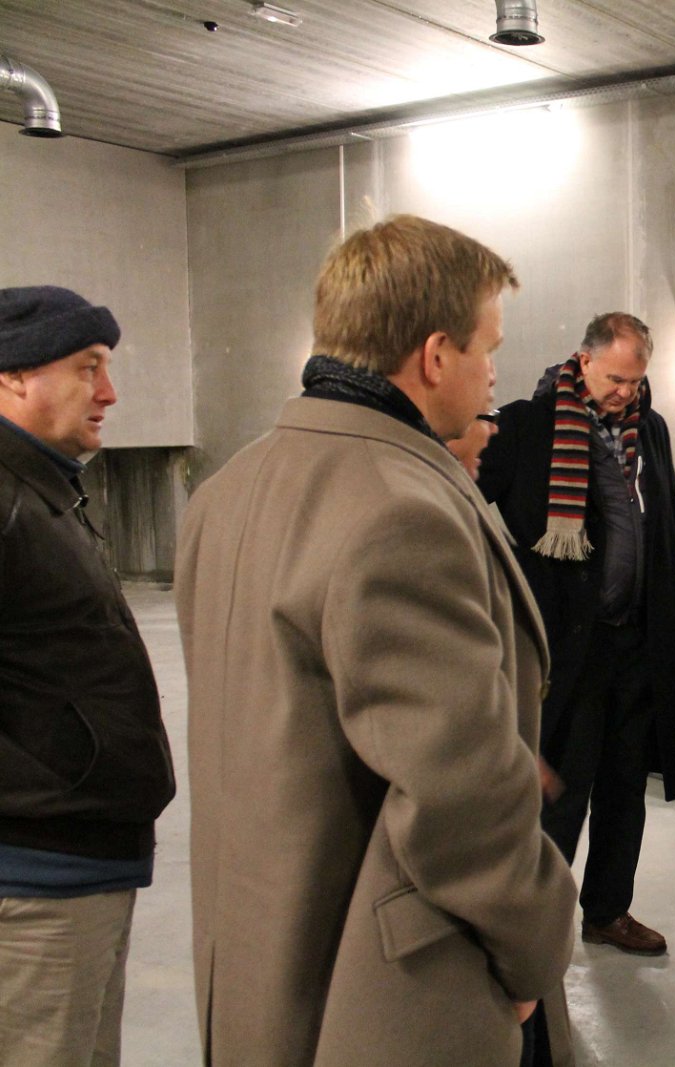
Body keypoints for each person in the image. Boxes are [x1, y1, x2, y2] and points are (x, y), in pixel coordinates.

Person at [175, 215, 577, 1066]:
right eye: (487, 348)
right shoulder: (402, 509)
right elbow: (460, 796)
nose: (495, 371)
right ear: (435, 357)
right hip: (380, 988)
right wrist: (536, 946)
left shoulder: (224, 490)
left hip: (255, 945)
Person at [478, 311, 675, 957]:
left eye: (637, 380)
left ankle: (607, 910)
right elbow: (459, 501)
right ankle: (529, 920)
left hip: (636, 639)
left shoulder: (649, 430)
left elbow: (667, 517)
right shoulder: (527, 425)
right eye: (617, 378)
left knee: (627, 787)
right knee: (562, 790)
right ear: (585, 359)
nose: (627, 391)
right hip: (568, 644)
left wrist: (672, 577)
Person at [0, 286, 176, 1067]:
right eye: (88, 367)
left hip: (81, 863)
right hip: (34, 879)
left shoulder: (45, 489)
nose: (109, 392)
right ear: (12, 376)